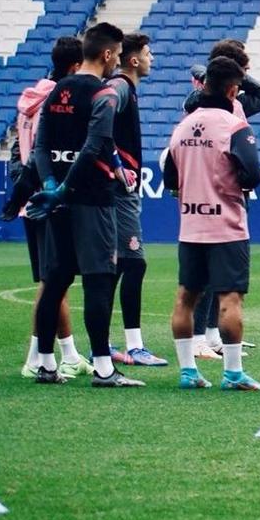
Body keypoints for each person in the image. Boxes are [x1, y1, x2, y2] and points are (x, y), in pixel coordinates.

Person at [28, 22, 138, 387]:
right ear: (107, 54)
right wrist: (65, 190)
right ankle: (105, 369)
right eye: (118, 56)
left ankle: (46, 365)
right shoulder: (103, 94)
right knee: (99, 281)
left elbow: (40, 147)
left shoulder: (58, 88)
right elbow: (94, 147)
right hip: (92, 200)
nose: (118, 62)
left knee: (55, 280)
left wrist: (50, 186)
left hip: (57, 202)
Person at [162, 55, 260, 391]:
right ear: (233, 90)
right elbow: (252, 174)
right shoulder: (234, 127)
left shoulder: (182, 127)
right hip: (226, 224)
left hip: (191, 223)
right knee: (230, 298)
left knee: (185, 297)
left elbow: (169, 176)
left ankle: (188, 372)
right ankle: (233, 373)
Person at [184, 39, 260, 361]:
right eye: (243, 72)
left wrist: (238, 76)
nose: (247, 77)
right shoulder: (201, 99)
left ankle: (212, 335)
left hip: (230, 188)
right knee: (204, 274)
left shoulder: (235, 101)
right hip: (208, 189)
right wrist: (224, 74)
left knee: (218, 274)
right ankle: (196, 338)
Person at [11, 35, 88, 379]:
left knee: (55, 280)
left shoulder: (29, 99)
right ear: (74, 66)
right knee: (51, 281)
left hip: (32, 198)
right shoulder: (58, 102)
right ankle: (35, 358)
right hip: (50, 195)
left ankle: (69, 354)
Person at [107, 31, 166, 368]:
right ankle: (133, 346)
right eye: (147, 52)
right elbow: (98, 126)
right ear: (133, 59)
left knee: (115, 266)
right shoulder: (119, 88)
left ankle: (105, 344)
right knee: (133, 262)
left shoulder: (126, 90)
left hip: (121, 190)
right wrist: (117, 167)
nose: (151, 58)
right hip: (119, 192)